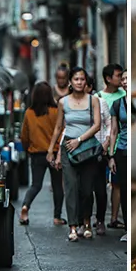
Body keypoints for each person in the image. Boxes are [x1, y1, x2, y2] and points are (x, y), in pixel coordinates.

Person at [47, 67, 101, 242]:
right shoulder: (63, 102)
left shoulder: (93, 100)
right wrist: (51, 150)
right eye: (76, 79)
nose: (79, 82)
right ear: (70, 82)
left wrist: (79, 139)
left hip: (87, 148)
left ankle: (86, 223)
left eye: (82, 79)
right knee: (70, 189)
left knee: (86, 190)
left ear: (86, 82)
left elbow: (97, 125)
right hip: (67, 147)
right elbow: (58, 127)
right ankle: (72, 227)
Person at [19, 81, 64, 226]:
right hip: (55, 152)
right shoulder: (56, 111)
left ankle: (25, 206)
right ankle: (57, 217)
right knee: (57, 185)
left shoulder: (29, 113)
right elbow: (62, 131)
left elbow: (24, 136)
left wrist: (28, 149)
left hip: (36, 153)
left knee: (35, 185)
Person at [97, 63, 126, 230]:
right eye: (119, 76)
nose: (122, 80)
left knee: (118, 184)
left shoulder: (123, 96)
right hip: (103, 146)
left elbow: (115, 128)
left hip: (117, 147)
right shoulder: (99, 97)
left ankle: (115, 218)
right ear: (108, 79)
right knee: (104, 185)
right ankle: (106, 218)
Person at [83, 72, 111, 236]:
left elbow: (109, 124)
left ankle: (100, 220)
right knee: (85, 190)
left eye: (84, 85)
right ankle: (85, 221)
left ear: (90, 87)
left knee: (100, 190)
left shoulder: (102, 103)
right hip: (82, 152)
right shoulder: (74, 105)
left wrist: (107, 141)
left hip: (99, 151)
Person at [108, 70, 129, 243]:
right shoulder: (117, 103)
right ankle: (128, 228)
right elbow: (114, 131)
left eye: (128, 78)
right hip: (122, 150)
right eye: (123, 79)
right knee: (123, 189)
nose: (125, 81)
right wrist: (111, 155)